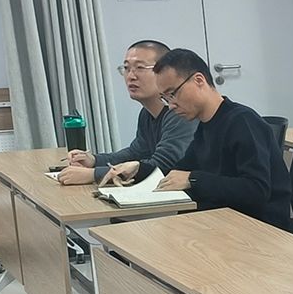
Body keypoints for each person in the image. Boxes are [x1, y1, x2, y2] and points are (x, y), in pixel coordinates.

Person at [149, 48, 293, 229]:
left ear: (199, 80)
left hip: (260, 230)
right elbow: (179, 170)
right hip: (223, 222)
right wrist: (139, 169)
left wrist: (193, 179)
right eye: (165, 98)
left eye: (172, 94)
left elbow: (256, 190)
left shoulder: (242, 122)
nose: (171, 105)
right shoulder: (205, 125)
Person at [56, 39, 195, 187]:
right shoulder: (147, 113)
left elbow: (163, 166)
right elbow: (135, 153)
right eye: (127, 68)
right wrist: (94, 160)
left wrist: (94, 174)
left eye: (140, 68)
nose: (131, 76)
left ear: (164, 72)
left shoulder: (179, 112)